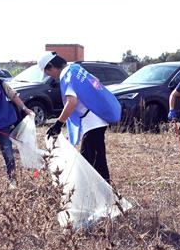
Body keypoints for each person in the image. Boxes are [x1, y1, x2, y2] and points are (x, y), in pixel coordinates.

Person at [39, 52, 121, 183]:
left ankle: (106, 196)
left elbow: (72, 102)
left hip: (92, 123)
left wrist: (58, 124)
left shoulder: (66, 76)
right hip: (96, 119)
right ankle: (102, 194)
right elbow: (95, 81)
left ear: (50, 66)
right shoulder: (76, 69)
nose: (50, 76)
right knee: (93, 161)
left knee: (91, 164)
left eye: (48, 73)